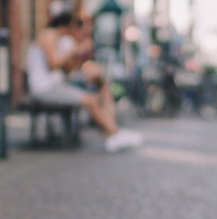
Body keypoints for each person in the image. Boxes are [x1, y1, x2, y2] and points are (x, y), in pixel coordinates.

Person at [26, 10, 141, 152]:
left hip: (53, 85)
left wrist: (80, 55)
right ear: (65, 26)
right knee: (91, 100)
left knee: (99, 91)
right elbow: (53, 63)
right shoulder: (49, 34)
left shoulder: (56, 38)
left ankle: (112, 136)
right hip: (44, 88)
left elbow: (66, 69)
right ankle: (115, 133)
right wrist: (75, 49)